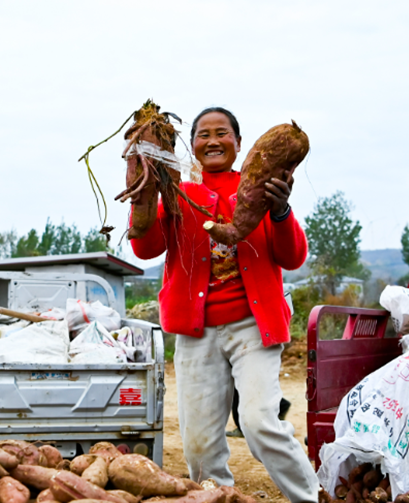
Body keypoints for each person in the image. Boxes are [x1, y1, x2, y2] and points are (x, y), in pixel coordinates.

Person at [130, 107, 319, 502]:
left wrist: (281, 210)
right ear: (193, 145)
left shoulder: (258, 185)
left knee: (259, 421)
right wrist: (143, 191)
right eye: (203, 134)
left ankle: (312, 498)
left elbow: (293, 257)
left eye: (222, 133)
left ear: (238, 142)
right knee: (199, 443)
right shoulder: (178, 190)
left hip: (253, 324)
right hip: (196, 331)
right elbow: (145, 248)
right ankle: (217, 497)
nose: (213, 141)